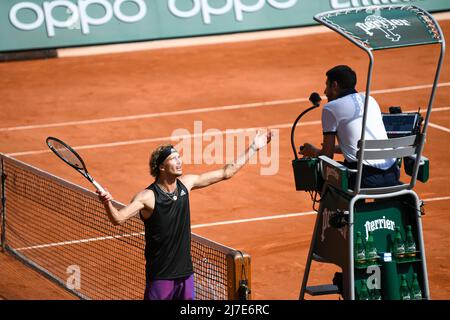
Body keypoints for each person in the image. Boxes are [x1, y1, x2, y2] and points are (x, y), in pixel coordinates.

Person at [97, 129, 272, 300]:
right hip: (161, 277)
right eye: (173, 158)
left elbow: (227, 172)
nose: (179, 161)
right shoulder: (147, 197)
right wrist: (107, 203)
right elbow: (118, 219)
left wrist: (254, 147)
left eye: (179, 157)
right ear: (161, 167)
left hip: (186, 274)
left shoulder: (186, 184)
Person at [299, 65, 399, 189]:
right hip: (393, 175)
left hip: (363, 180)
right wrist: (338, 148)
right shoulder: (370, 99)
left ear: (334, 85)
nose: (325, 92)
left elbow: (326, 156)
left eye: (327, 85)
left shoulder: (331, 108)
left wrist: (312, 150)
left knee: (320, 168)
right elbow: (364, 145)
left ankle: (335, 209)